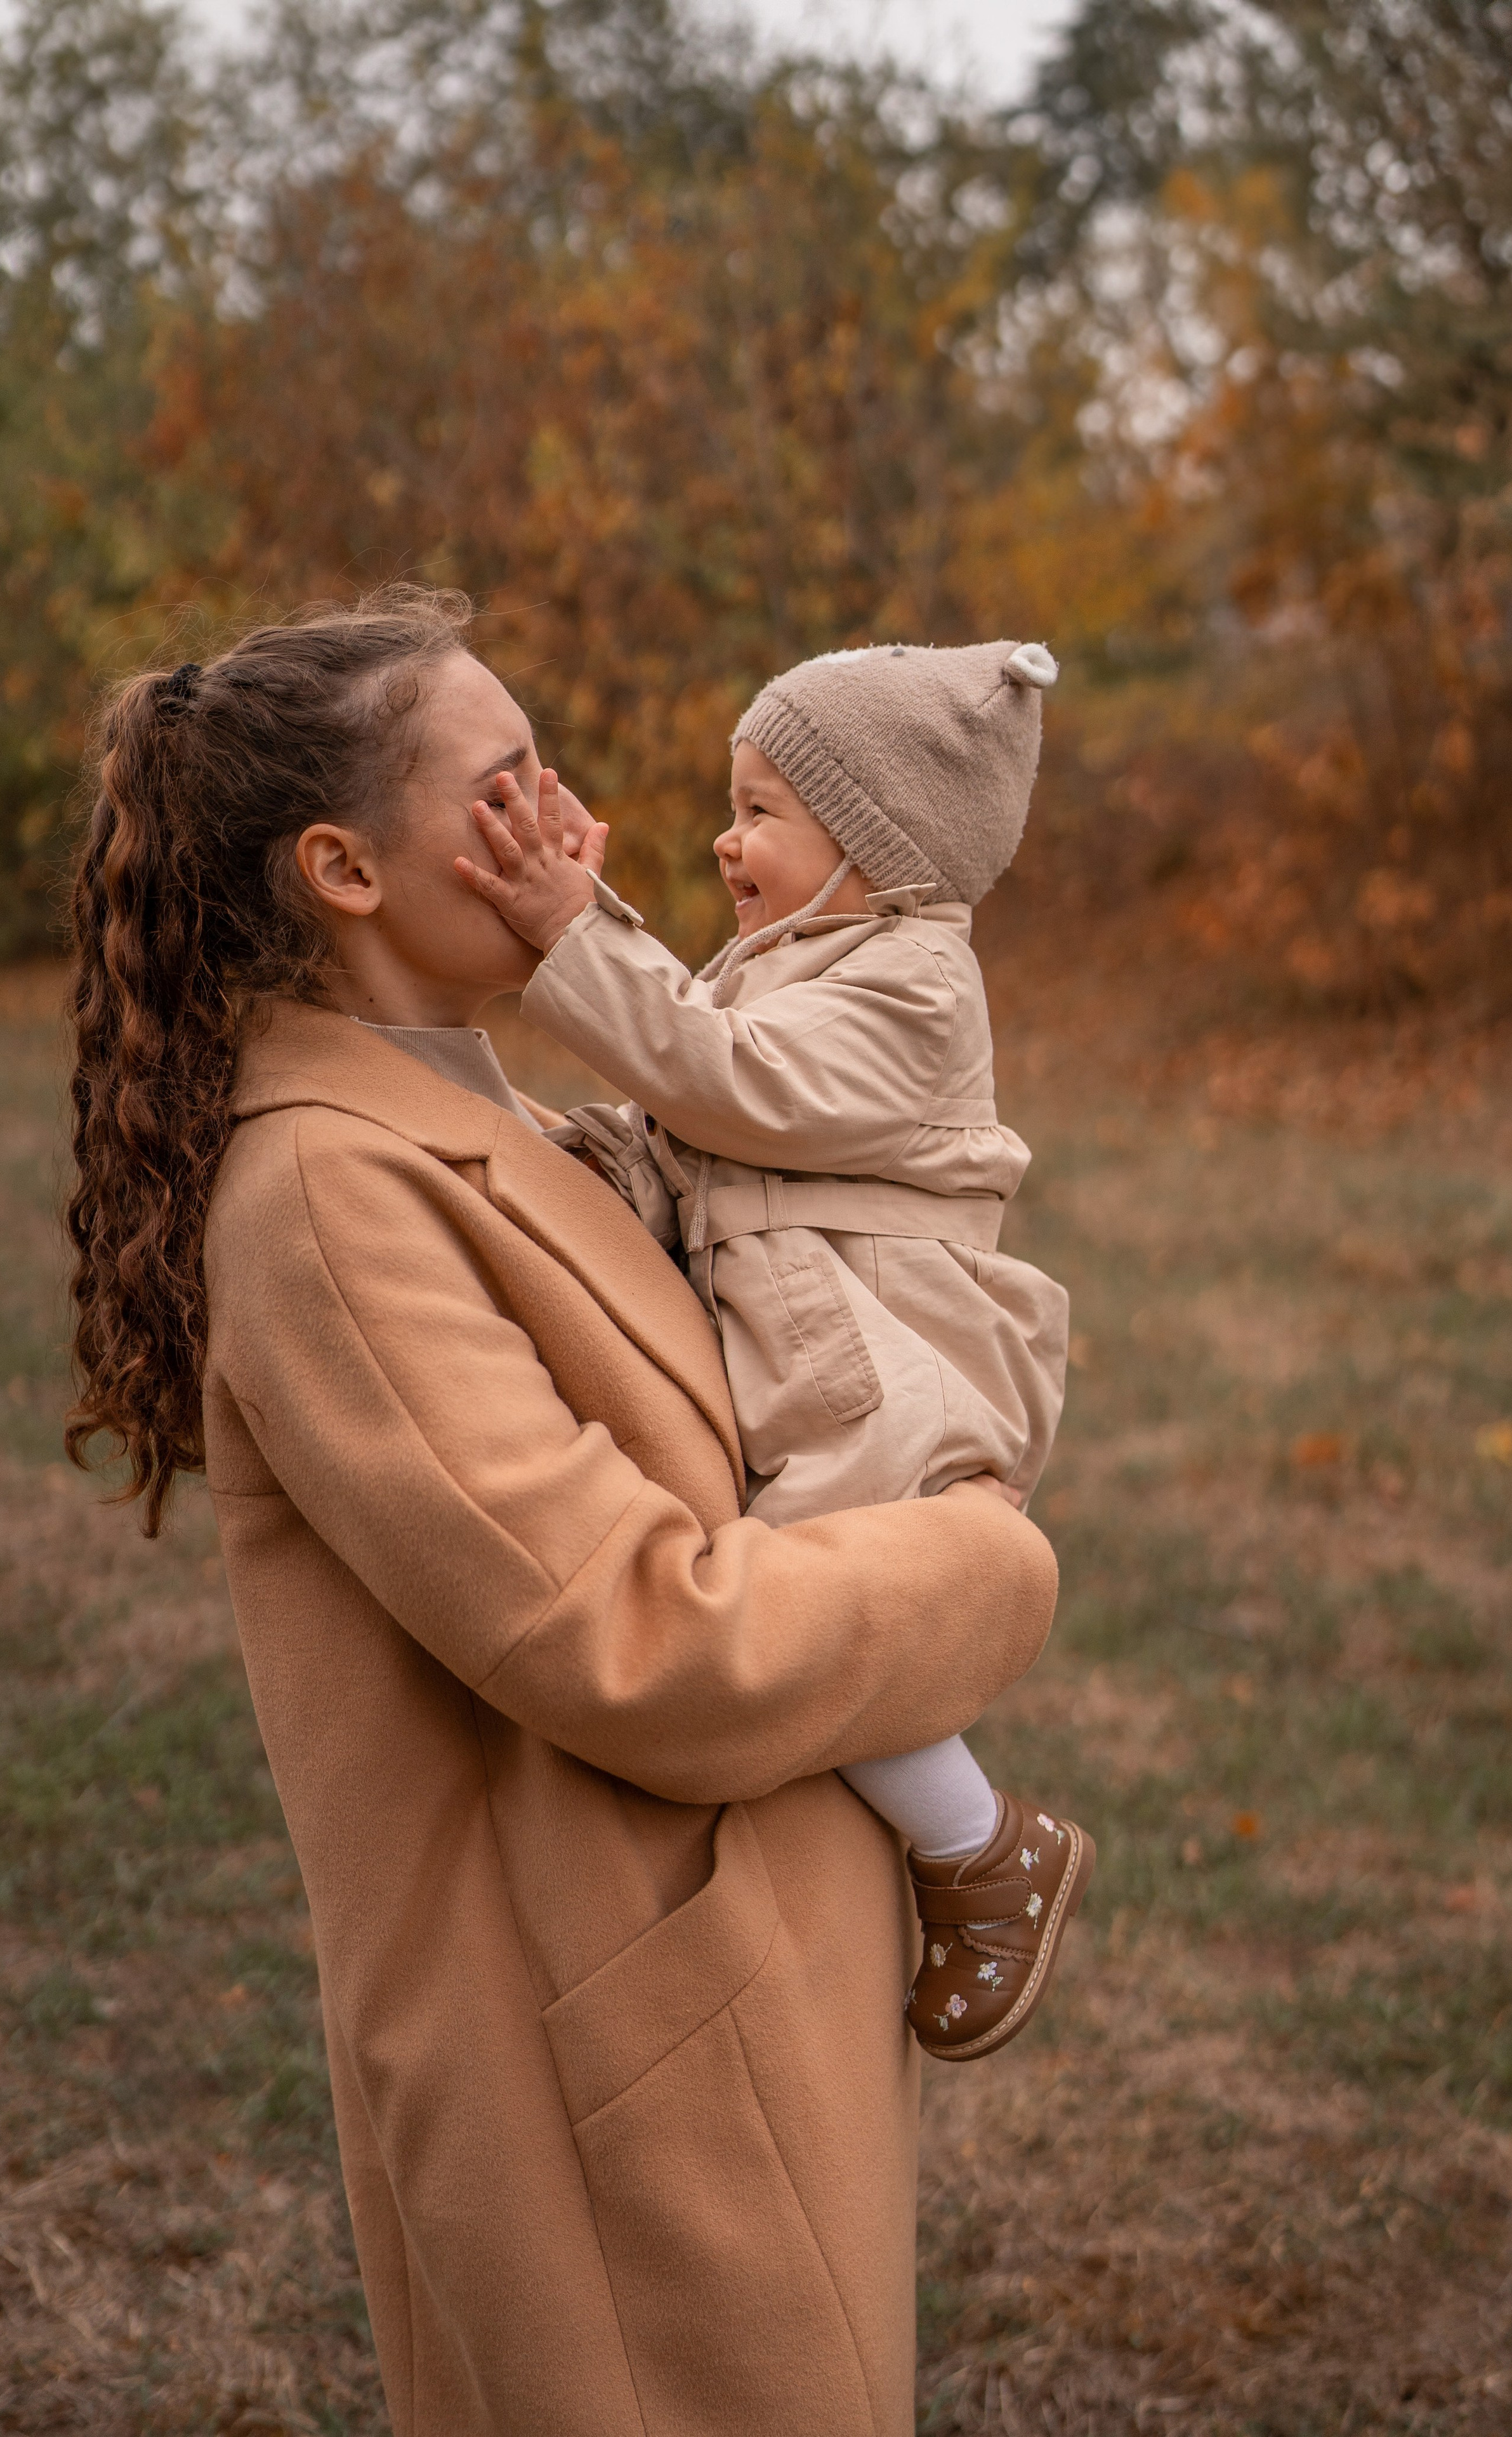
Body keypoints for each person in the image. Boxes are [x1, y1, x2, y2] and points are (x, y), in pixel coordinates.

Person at [65, 586, 1062, 2437]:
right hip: (609, 2081)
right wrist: (982, 1562)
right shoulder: (327, 1204)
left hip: (721, 2003)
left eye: (557, 782)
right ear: (347, 870)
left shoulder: (481, 1116)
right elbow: (634, 1636)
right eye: (509, 791)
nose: (577, 834)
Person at [454, 640, 1094, 2062]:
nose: (724, 842)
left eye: (758, 812)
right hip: (810, 1338)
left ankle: (983, 1845)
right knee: (794, 1609)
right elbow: (681, 1126)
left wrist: (573, 929)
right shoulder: (805, 962)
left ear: (874, 846)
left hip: (883, 1352)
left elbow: (718, 1083)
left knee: (801, 1620)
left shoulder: (914, 989)